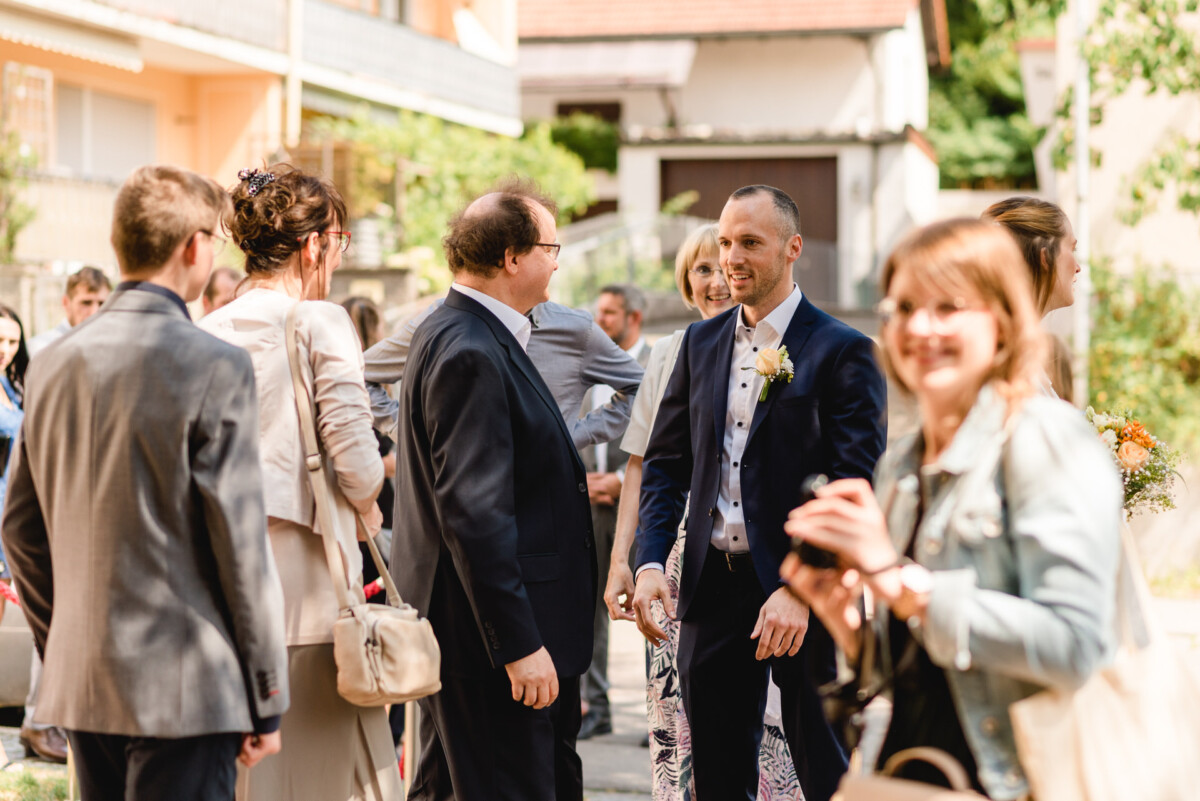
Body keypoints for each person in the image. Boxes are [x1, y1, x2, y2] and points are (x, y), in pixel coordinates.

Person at [782, 218, 1121, 800]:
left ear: (1003, 319)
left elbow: (1075, 645)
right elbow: (921, 665)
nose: (920, 327)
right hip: (913, 774)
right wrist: (851, 624)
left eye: (948, 307)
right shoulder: (906, 458)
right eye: (905, 306)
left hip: (1011, 780)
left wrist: (896, 579)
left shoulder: (1043, 439)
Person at [1, 164, 289, 801]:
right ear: (193, 246)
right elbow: (240, 545)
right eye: (213, 237)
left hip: (83, 680)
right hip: (188, 688)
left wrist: (66, 635)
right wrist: (266, 693)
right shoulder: (215, 363)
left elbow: (20, 529)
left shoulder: (50, 364)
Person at [632, 185, 888, 801]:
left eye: (750, 242)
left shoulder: (844, 351)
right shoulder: (698, 345)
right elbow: (666, 464)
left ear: (792, 248)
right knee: (718, 775)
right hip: (709, 587)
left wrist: (801, 590)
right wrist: (647, 561)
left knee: (825, 767)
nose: (731, 257)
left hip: (804, 591)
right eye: (724, 242)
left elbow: (856, 482)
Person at [199, 165, 402, 801]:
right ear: (314, 245)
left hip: (217, 589)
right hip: (309, 595)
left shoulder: (204, 332)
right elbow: (359, 467)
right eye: (339, 244)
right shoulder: (319, 323)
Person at [391, 180, 596, 801]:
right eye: (550, 247)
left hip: (479, 632)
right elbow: (475, 512)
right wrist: (519, 644)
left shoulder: (458, 330)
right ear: (512, 258)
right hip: (496, 644)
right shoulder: (471, 348)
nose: (557, 262)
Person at [605, 224, 802, 798]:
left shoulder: (780, 346)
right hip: (676, 560)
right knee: (682, 713)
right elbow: (644, 466)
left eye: (724, 265)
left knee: (772, 717)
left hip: (760, 556)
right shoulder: (673, 352)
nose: (717, 279)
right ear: (686, 281)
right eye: (703, 268)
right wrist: (626, 561)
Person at [578, 283, 651, 741]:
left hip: (642, 511)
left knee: (651, 611)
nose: (600, 320)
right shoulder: (589, 366)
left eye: (609, 313)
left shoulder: (656, 365)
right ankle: (596, 708)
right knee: (588, 611)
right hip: (589, 508)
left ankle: (660, 716)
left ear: (634, 318)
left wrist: (622, 484)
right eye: (598, 312)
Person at [981, 196, 1079, 397]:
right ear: (1046, 257)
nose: (1078, 267)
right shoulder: (1005, 360)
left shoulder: (1018, 350)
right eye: (1072, 248)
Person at [0, 305, 27, 629]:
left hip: (9, 516)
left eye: (12, 342)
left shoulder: (9, 386)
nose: (5, 349)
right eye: (0, 339)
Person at [26, 266, 111, 357]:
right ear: (66, 303)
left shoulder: (114, 347)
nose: (94, 312)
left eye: (102, 304)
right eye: (86, 303)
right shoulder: (42, 348)